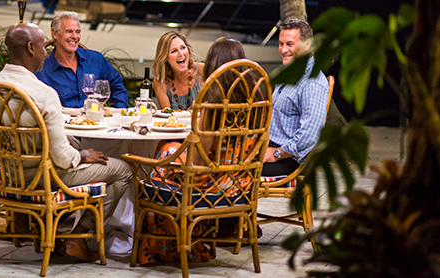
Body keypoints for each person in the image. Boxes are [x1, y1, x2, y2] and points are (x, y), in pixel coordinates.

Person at [0, 22, 132, 263]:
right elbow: (62, 159)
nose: (45, 53)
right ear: (30, 48)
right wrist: (84, 155)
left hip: (5, 178)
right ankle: (79, 238)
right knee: (122, 169)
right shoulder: (44, 93)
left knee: (73, 145)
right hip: (43, 180)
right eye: (41, 47)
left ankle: (56, 232)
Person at [138, 36, 259, 265]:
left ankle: (165, 247)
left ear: (213, 66)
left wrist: (172, 159)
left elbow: (196, 164)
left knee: (161, 159)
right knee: (168, 149)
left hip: (212, 183)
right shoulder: (257, 97)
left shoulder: (212, 103)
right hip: (241, 179)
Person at [262, 19, 329, 176]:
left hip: (290, 160)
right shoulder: (291, 73)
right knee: (222, 159)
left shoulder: (312, 83)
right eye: (281, 43)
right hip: (272, 148)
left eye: (289, 44)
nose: (284, 50)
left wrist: (276, 153)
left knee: (233, 172)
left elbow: (310, 135)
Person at [35, 11, 128, 108]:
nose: (75, 36)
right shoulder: (41, 70)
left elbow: (116, 85)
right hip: (62, 122)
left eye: (78, 32)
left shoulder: (95, 59)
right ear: (55, 34)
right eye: (69, 31)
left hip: (96, 121)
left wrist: (118, 113)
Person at [152, 31, 205, 111]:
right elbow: (169, 118)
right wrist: (191, 109)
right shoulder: (160, 82)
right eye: (174, 51)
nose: (181, 54)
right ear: (165, 57)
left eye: (183, 48)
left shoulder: (202, 70)